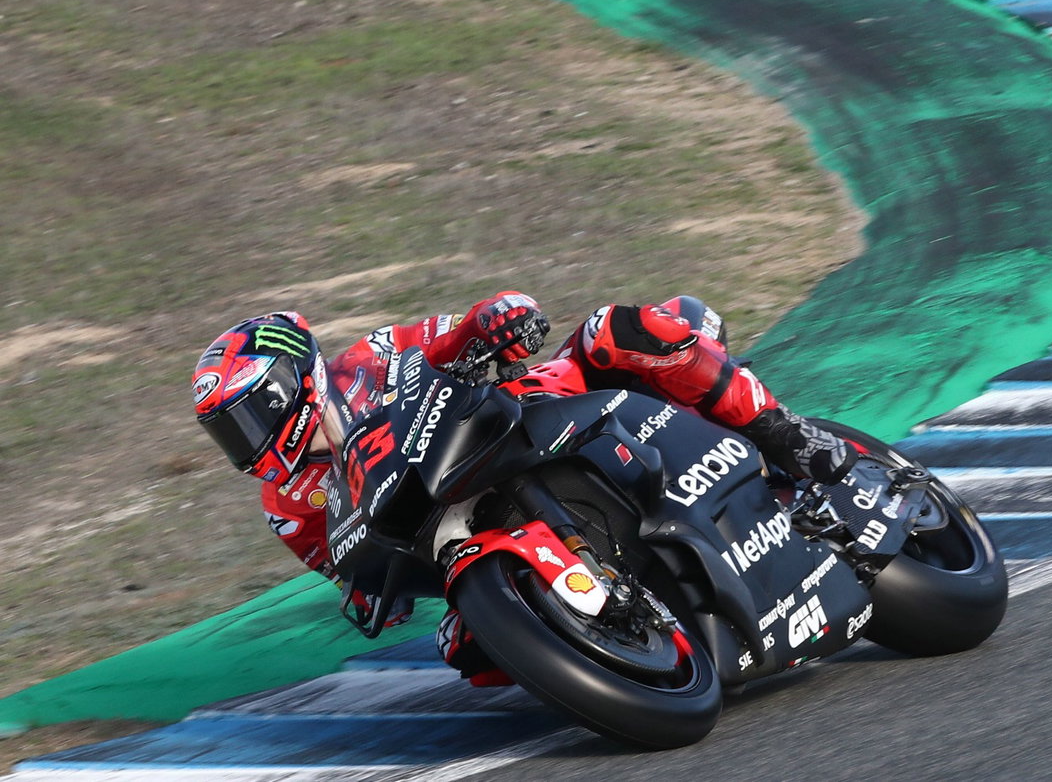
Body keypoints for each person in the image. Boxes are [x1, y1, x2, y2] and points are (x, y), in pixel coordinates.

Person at [191, 292, 856, 686]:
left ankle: (789, 437)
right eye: (229, 431)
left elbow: (453, 336)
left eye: (248, 415)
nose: (245, 442)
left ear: (291, 381)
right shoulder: (286, 504)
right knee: (466, 652)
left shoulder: (371, 359)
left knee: (611, 330)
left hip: (525, 420)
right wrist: (372, 589)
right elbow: (352, 577)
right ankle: (620, 638)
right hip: (457, 534)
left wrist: (497, 319)